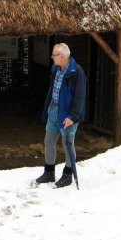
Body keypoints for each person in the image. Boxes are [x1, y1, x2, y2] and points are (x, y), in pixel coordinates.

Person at [35, 42, 87, 188]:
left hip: (67, 114)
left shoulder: (77, 72)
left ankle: (67, 175)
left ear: (63, 56)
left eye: (54, 55)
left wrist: (72, 116)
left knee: (68, 144)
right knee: (49, 141)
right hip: (54, 110)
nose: (52, 57)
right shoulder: (56, 68)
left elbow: (79, 97)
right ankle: (49, 172)